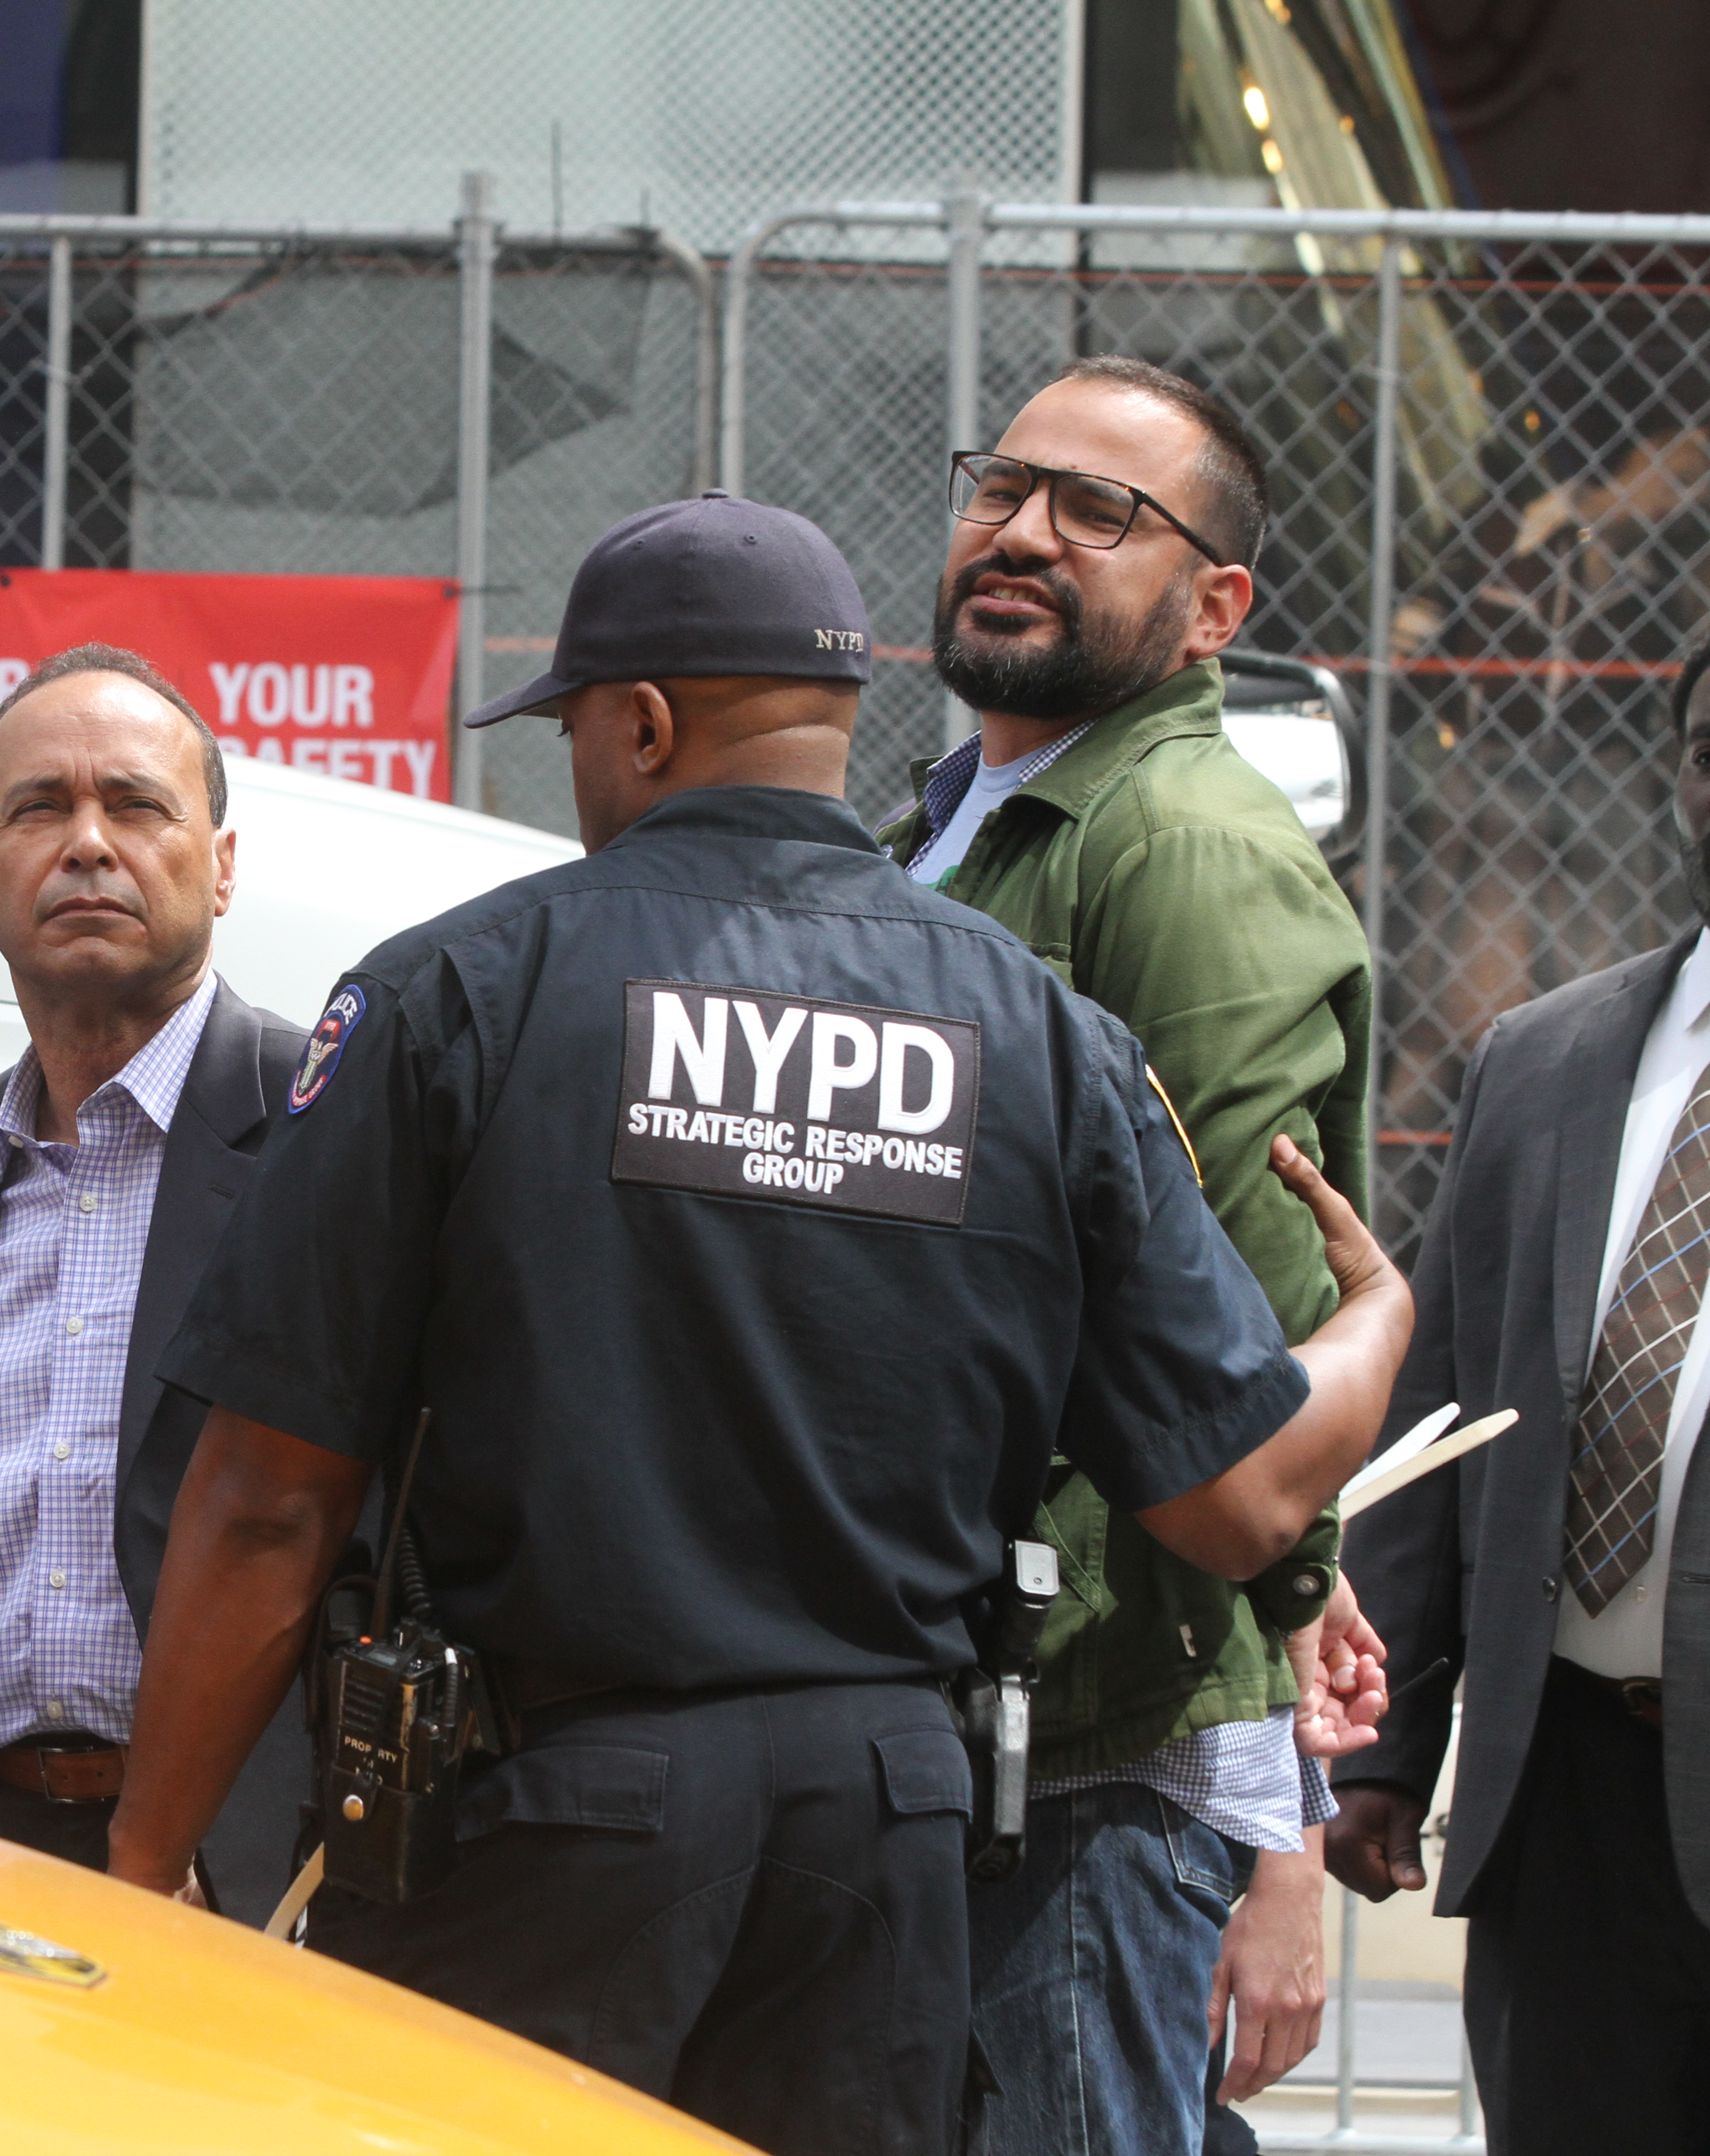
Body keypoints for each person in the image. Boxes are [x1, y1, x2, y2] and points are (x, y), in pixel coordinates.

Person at [103, 493, 1416, 2156]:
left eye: (575, 725)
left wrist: (144, 1877)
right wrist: (1381, 1316)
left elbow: (272, 1492)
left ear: (639, 724)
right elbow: (1239, 1504)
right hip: (886, 1843)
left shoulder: (461, 996)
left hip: (545, 1828)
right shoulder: (1042, 1036)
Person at [875, 355, 1384, 2150]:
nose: (1021, 533)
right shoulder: (962, 815)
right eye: (1001, 488)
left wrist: (1295, 1593)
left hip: (1084, 1748)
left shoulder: (1183, 846)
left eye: (1100, 513)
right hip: (955, 1723)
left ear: (1212, 608)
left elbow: (1240, 1351)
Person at [1328, 642, 1710, 2151]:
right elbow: (1442, 1404)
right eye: (1706, 742)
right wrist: (1380, 1752)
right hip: (1564, 1803)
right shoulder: (1540, 1059)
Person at [0, 644, 308, 1909]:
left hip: (239, 1871)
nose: (87, 843)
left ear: (223, 865)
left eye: (135, 805)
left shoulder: (324, 1131)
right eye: (39, 808)